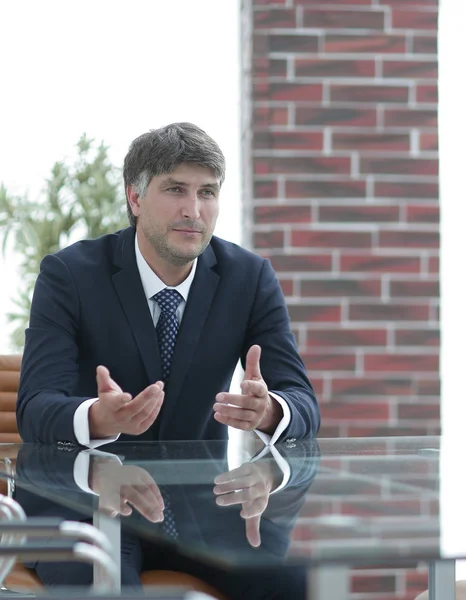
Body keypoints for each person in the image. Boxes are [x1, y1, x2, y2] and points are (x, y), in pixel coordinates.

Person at [17, 122, 320, 448]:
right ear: (135, 198)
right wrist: (97, 418)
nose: (193, 211)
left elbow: (303, 402)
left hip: (206, 494)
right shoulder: (69, 275)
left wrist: (269, 411)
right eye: (175, 189)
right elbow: (35, 407)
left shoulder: (250, 277)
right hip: (95, 491)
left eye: (207, 192)